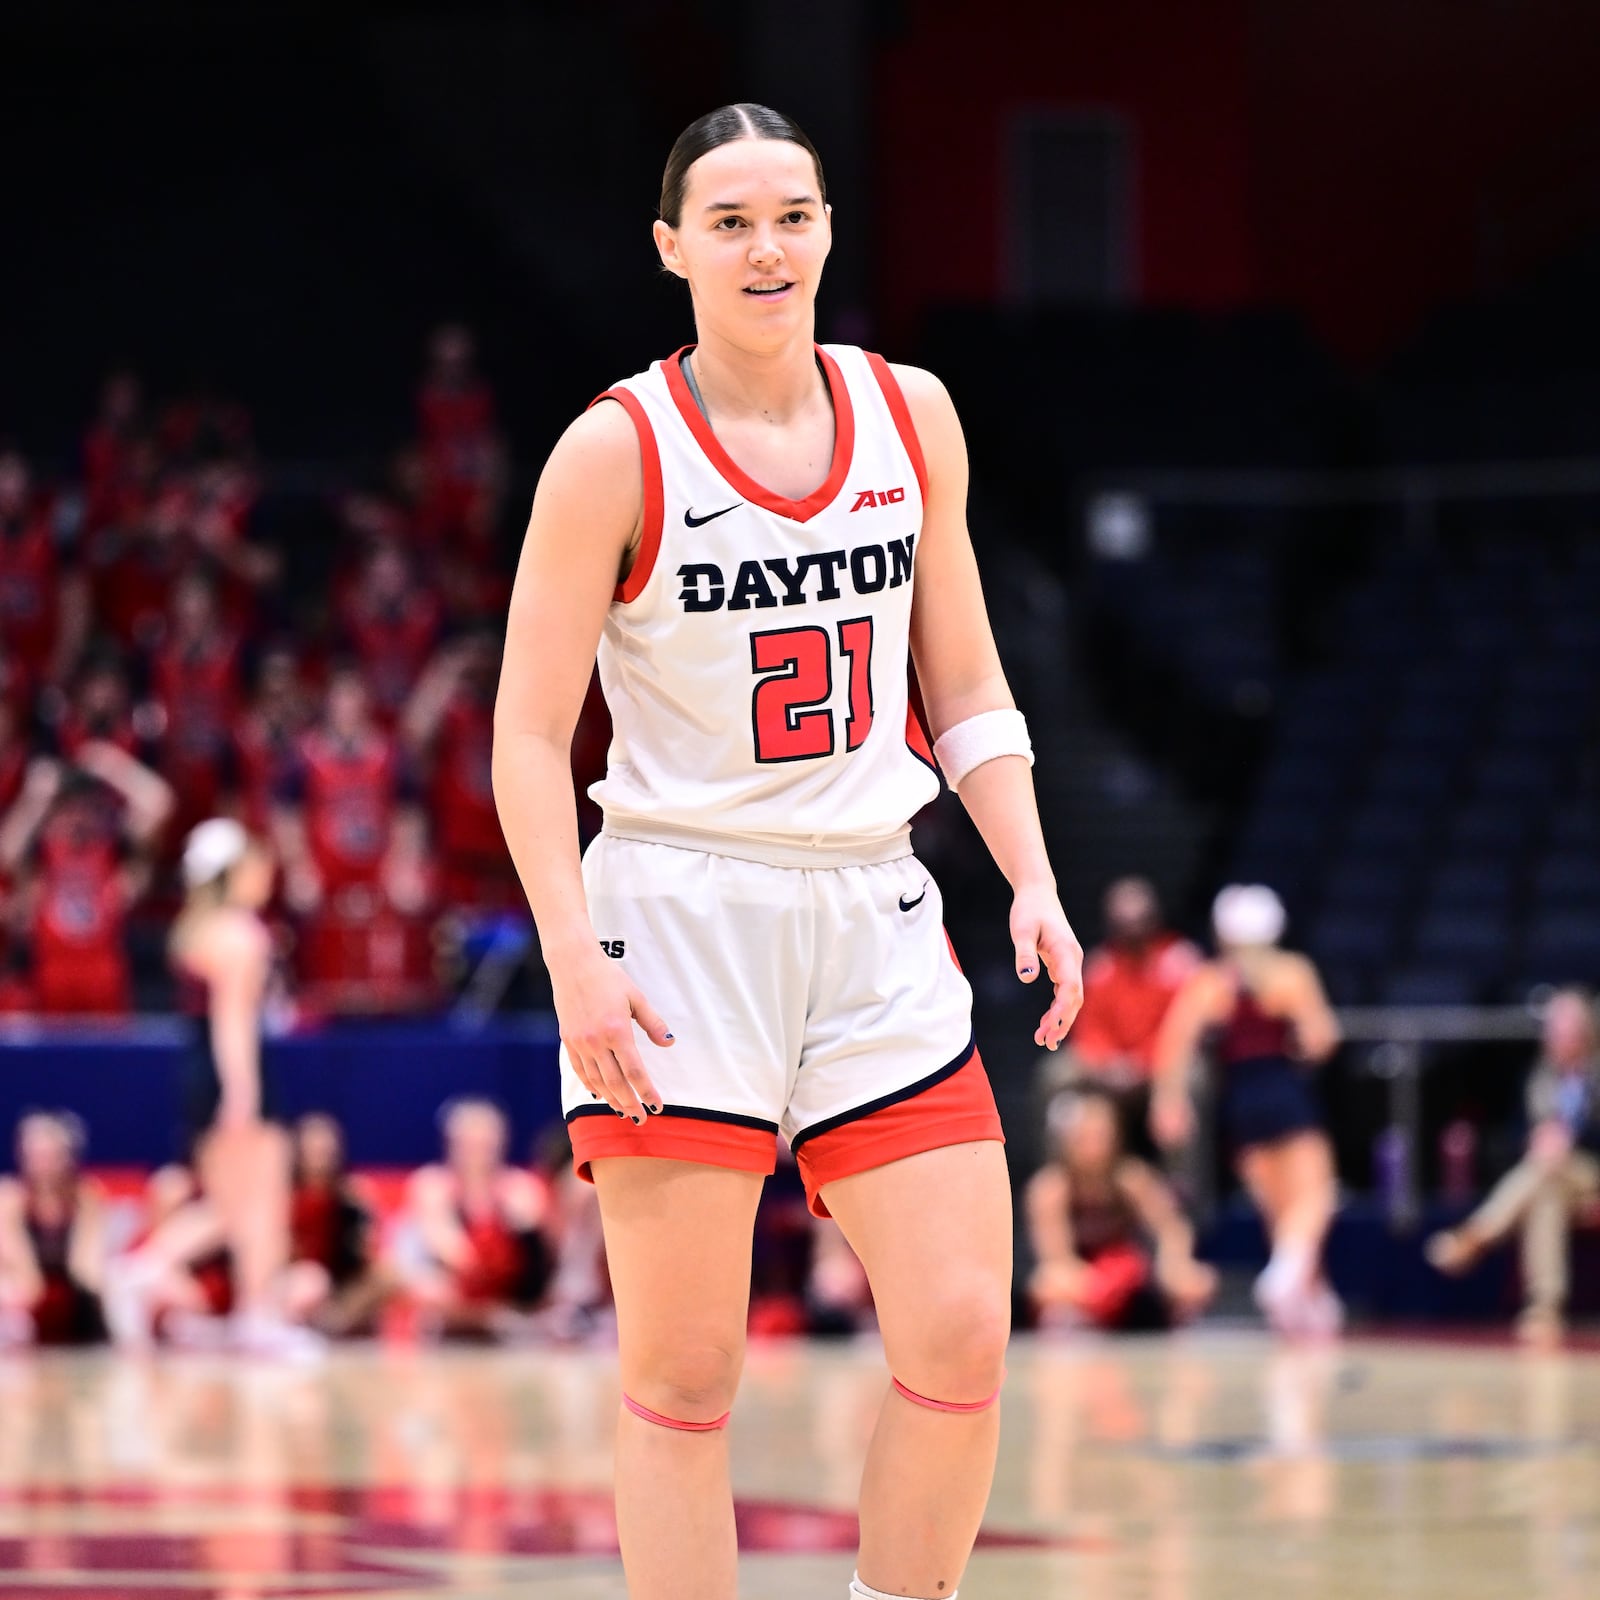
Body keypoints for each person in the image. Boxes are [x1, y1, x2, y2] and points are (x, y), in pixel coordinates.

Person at [491, 103, 1083, 1600]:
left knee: (958, 1334)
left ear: (828, 230)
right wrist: (573, 968)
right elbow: (522, 740)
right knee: (688, 1376)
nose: (768, 248)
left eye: (794, 215)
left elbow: (964, 680)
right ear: (673, 248)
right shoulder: (612, 451)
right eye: (734, 221)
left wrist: (1031, 872)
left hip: (871, 904)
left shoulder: (911, 414)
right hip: (675, 916)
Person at [1152, 884, 1343, 1337]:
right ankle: (1286, 1279)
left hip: (1239, 1100)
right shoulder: (1291, 973)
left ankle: (1309, 1298)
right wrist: (1300, 1040)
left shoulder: (1210, 982)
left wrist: (1169, 1102)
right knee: (1316, 1196)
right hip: (1283, 1089)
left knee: (1280, 1211)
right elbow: (1321, 1038)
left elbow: (1173, 1045)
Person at [169, 817, 314, 1357]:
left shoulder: (196, 931)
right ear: (232, 872)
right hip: (237, 1073)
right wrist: (243, 1095)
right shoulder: (241, 935)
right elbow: (233, 1023)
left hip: (199, 1073)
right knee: (263, 1203)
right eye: (256, 863)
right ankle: (259, 1317)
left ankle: (142, 1271)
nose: (266, 872)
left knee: (228, 1209)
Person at [1427, 987, 1600, 1345]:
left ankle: (1478, 1233)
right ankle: (1544, 1310)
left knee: (1549, 1166)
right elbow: (1514, 1134)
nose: (1557, 1036)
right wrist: (1537, 1139)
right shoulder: (1536, 1077)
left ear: (1585, 1032)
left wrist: (1570, 1141)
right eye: (1552, 1028)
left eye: (1566, 1028)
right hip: (1552, 1176)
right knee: (1547, 1190)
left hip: (1591, 1173)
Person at [1026, 1086, 1217, 1333]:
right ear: (1066, 1139)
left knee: (1194, 1281)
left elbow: (1173, 1229)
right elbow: (1056, 1258)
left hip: (1129, 1277)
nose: (1093, 1145)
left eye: (1100, 1134)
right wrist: (1095, 1284)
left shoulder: (1130, 1179)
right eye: (1084, 1136)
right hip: (1082, 1282)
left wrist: (1172, 1264)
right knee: (1048, 1286)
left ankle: (1173, 1325)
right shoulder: (1050, 1189)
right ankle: (1078, 1325)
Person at [1042, 876, 1200, 1149]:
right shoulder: (1100, 967)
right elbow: (1087, 1026)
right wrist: (1107, 1063)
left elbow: (1183, 1028)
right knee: (1057, 1073)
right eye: (1124, 924)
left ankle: (1185, 1183)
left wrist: (1143, 1062)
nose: (1133, 931)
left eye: (1140, 921)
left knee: (1196, 1077)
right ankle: (1057, 1174)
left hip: (1162, 1065)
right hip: (1110, 1067)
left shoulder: (1180, 962)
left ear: (1154, 920)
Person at [395, 1098, 556, 1339]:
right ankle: (484, 1319)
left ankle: (492, 1318)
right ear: (451, 1145)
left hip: (507, 1290)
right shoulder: (433, 1184)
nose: (477, 1154)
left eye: (485, 1145)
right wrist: (478, 1271)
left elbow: (537, 1257)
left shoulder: (520, 1187)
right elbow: (447, 1248)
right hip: (455, 1290)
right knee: (427, 1285)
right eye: (469, 1145)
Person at [0, 1111, 107, 1348]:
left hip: (75, 1294)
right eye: (35, 1156)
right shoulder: (10, 1199)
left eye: (50, 1156)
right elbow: (26, 1277)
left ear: (68, 1157)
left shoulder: (86, 1197)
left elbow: (88, 1271)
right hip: (22, 1288)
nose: (42, 1165)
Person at [281, 1112, 394, 1336]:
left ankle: (334, 1321)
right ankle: (302, 1324)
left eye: (325, 1151)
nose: (320, 1157)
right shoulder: (284, 1197)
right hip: (297, 1278)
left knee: (389, 1275)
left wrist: (364, 1229)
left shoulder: (351, 1195)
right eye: (313, 1150)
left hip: (340, 1284)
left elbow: (365, 1253)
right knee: (311, 1281)